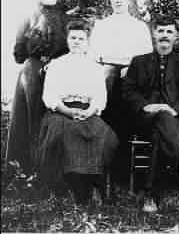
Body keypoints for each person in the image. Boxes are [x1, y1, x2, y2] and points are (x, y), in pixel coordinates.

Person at [122, 18, 179, 213]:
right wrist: (146, 106)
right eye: (161, 31)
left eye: (169, 32)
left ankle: (150, 195)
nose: (165, 36)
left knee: (159, 131)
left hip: (177, 120)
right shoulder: (138, 61)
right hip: (145, 117)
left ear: (176, 36)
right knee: (160, 118)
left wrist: (174, 109)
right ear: (154, 34)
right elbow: (128, 91)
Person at [37, 20, 119, 205]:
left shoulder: (95, 68)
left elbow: (100, 98)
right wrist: (67, 111)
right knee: (67, 134)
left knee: (106, 136)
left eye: (81, 39)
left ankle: (94, 185)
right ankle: (74, 189)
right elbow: (49, 96)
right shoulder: (57, 65)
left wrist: (89, 112)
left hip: (87, 111)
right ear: (67, 40)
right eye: (73, 38)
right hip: (60, 111)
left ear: (87, 42)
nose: (76, 42)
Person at [6, 0, 70, 175]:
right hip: (32, 71)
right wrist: (33, 46)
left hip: (59, 71)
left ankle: (51, 170)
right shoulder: (27, 17)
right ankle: (26, 170)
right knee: (31, 117)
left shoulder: (67, 19)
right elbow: (18, 54)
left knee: (54, 116)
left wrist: (56, 63)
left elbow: (72, 50)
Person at [90, 0, 153, 184]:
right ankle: (102, 167)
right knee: (108, 77)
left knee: (128, 103)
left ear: (129, 0)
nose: (118, 1)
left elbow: (146, 55)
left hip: (130, 72)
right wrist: (109, 64)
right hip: (107, 72)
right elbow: (94, 54)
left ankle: (124, 170)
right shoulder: (102, 25)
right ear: (110, 1)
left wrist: (131, 66)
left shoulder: (139, 26)